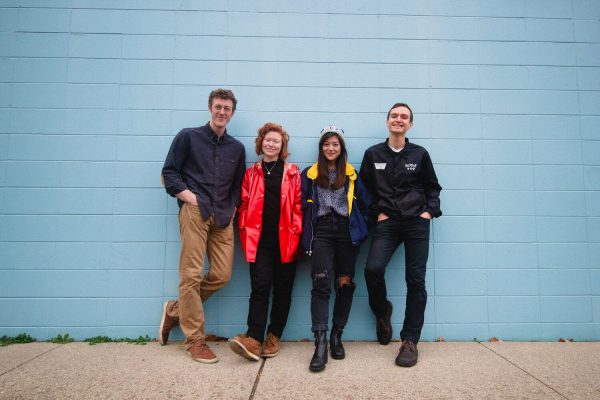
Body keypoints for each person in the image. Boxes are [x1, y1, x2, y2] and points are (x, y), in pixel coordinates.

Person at [158, 88, 246, 363]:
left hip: (222, 218)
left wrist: (231, 209)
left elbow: (237, 186)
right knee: (191, 274)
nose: (222, 112)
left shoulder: (237, 148)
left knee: (222, 275)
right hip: (195, 213)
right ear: (210, 108)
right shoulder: (188, 136)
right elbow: (169, 173)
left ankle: (174, 311)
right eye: (218, 107)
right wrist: (190, 199)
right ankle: (195, 339)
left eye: (227, 108)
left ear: (232, 113)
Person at [360, 103, 442, 367]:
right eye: (394, 116)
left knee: (415, 280)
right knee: (372, 269)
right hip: (388, 222)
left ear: (410, 125)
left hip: (417, 222)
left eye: (404, 117)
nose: (399, 120)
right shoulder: (373, 154)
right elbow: (364, 191)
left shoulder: (420, 154)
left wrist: (428, 212)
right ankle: (382, 311)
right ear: (387, 121)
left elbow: (433, 187)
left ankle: (409, 341)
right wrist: (377, 214)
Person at [229, 122, 303, 361]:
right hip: (259, 242)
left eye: (276, 141)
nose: (271, 144)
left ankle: (274, 336)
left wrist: (295, 232)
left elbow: (298, 207)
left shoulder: (292, 172)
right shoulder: (251, 173)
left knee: (283, 290)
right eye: (267, 140)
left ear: (282, 146)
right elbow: (242, 204)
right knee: (259, 288)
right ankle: (253, 338)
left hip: (286, 242)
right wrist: (244, 228)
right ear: (261, 143)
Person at [301, 126, 371, 372]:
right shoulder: (309, 175)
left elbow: (366, 205)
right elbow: (300, 206)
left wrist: (362, 228)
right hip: (321, 233)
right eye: (326, 144)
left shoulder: (353, 175)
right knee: (321, 284)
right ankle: (320, 343)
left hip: (346, 232)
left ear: (341, 148)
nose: (330, 148)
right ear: (321, 148)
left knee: (344, 283)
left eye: (335, 144)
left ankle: (337, 336)